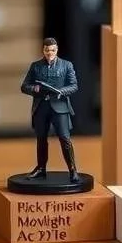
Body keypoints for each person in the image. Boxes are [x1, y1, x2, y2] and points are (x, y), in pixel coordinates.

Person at [20, 37, 80, 182]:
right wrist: (34, 88)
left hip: (60, 107)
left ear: (56, 50)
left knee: (65, 138)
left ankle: (73, 169)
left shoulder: (66, 65)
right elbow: (24, 86)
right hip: (41, 106)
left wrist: (61, 91)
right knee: (41, 139)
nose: (50, 53)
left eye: (52, 50)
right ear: (43, 50)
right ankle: (41, 168)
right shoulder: (35, 66)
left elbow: (74, 86)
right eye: (47, 50)